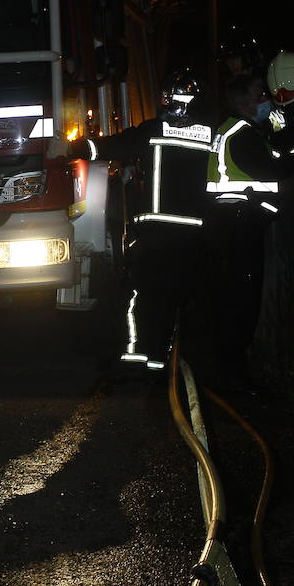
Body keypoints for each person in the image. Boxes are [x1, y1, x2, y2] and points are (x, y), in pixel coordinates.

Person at [69, 70, 214, 371]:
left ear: (165, 100)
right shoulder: (212, 135)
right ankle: (169, 359)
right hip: (195, 233)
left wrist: (70, 147)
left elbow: (108, 148)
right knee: (181, 295)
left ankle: (140, 357)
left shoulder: (154, 130)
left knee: (143, 294)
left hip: (156, 231)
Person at [202, 72, 294, 392]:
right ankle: (232, 376)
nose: (267, 100)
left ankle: (227, 370)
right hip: (238, 226)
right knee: (241, 303)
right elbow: (270, 171)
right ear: (245, 103)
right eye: (261, 95)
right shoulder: (243, 134)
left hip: (228, 224)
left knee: (229, 300)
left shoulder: (229, 130)